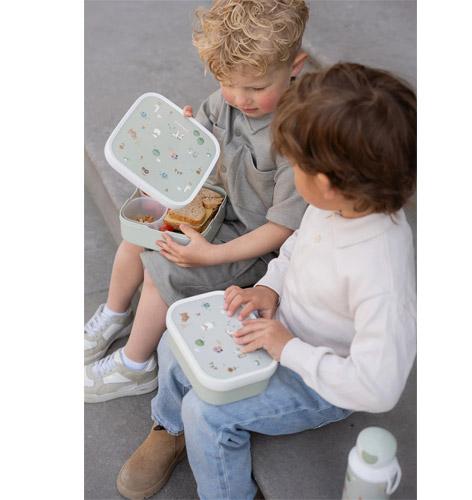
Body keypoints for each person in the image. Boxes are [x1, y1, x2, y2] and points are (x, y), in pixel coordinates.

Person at [116, 62, 417, 500]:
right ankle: (169, 428)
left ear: (328, 183)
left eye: (294, 165)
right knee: (173, 345)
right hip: (280, 327)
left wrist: (287, 348)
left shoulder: (379, 273)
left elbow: (377, 387)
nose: (288, 173)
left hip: (317, 381)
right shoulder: (339, 207)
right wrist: (269, 288)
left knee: (207, 413)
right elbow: (295, 248)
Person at [84, 0, 309, 402]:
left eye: (257, 88)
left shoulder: (295, 138)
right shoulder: (225, 102)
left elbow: (282, 229)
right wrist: (183, 140)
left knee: (162, 270)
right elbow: (198, 153)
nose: (240, 98)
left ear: (295, 67)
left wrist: (212, 256)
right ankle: (115, 315)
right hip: (216, 208)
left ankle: (136, 366)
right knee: (139, 236)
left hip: (252, 245)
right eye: (227, 83)